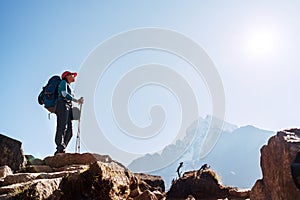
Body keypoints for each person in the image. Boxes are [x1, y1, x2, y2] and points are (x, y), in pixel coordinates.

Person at [54, 70, 84, 155]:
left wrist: (76, 101)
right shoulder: (63, 82)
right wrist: (77, 100)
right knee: (62, 126)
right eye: (72, 75)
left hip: (67, 106)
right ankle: (60, 148)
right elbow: (64, 94)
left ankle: (62, 148)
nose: (74, 77)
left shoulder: (68, 86)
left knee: (70, 131)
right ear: (67, 76)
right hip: (62, 105)